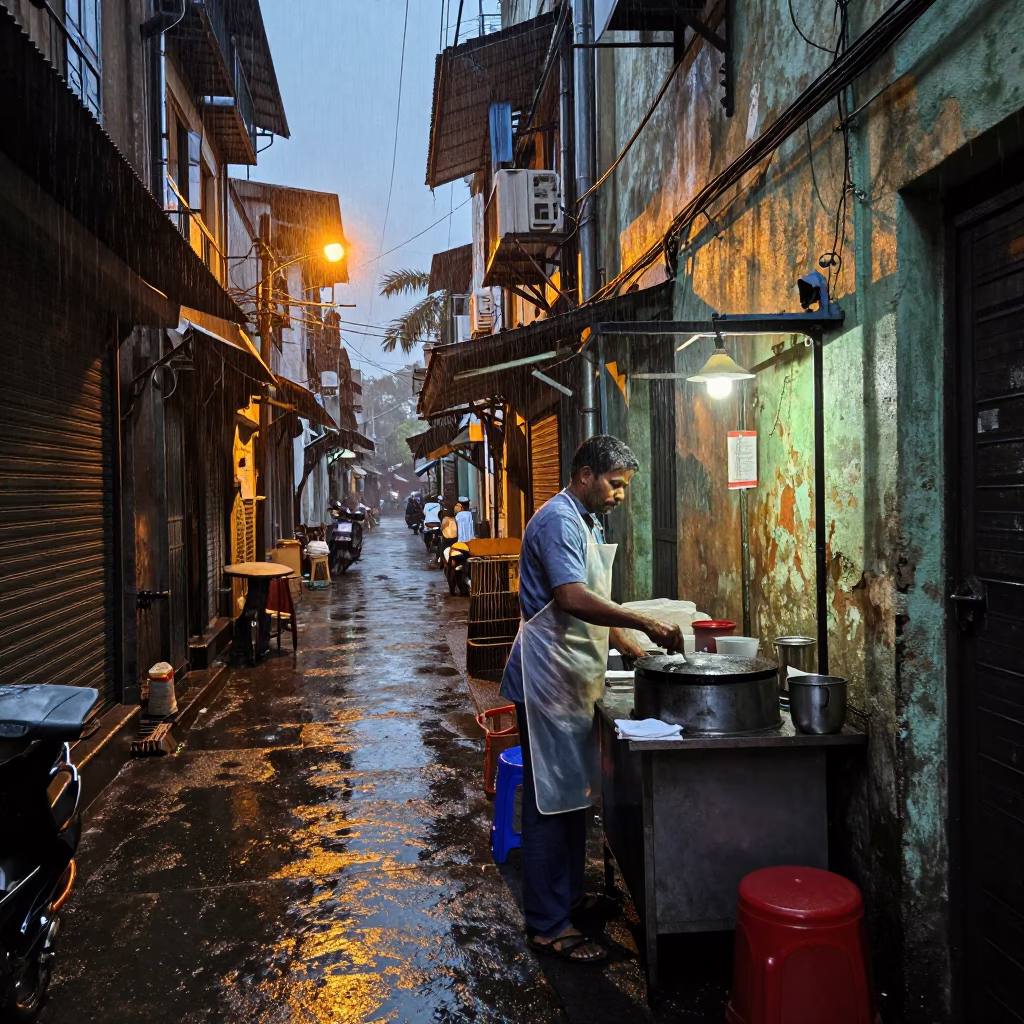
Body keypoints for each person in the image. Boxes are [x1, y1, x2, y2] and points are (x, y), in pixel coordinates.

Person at [500, 435, 684, 964]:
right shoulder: (559, 521)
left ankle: (566, 896)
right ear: (584, 475)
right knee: (549, 801)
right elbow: (571, 597)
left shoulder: (586, 521)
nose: (620, 495)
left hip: (573, 677)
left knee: (573, 796)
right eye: (615, 484)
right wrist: (643, 621)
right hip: (547, 678)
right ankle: (546, 924)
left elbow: (593, 601)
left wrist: (626, 644)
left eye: (623, 486)